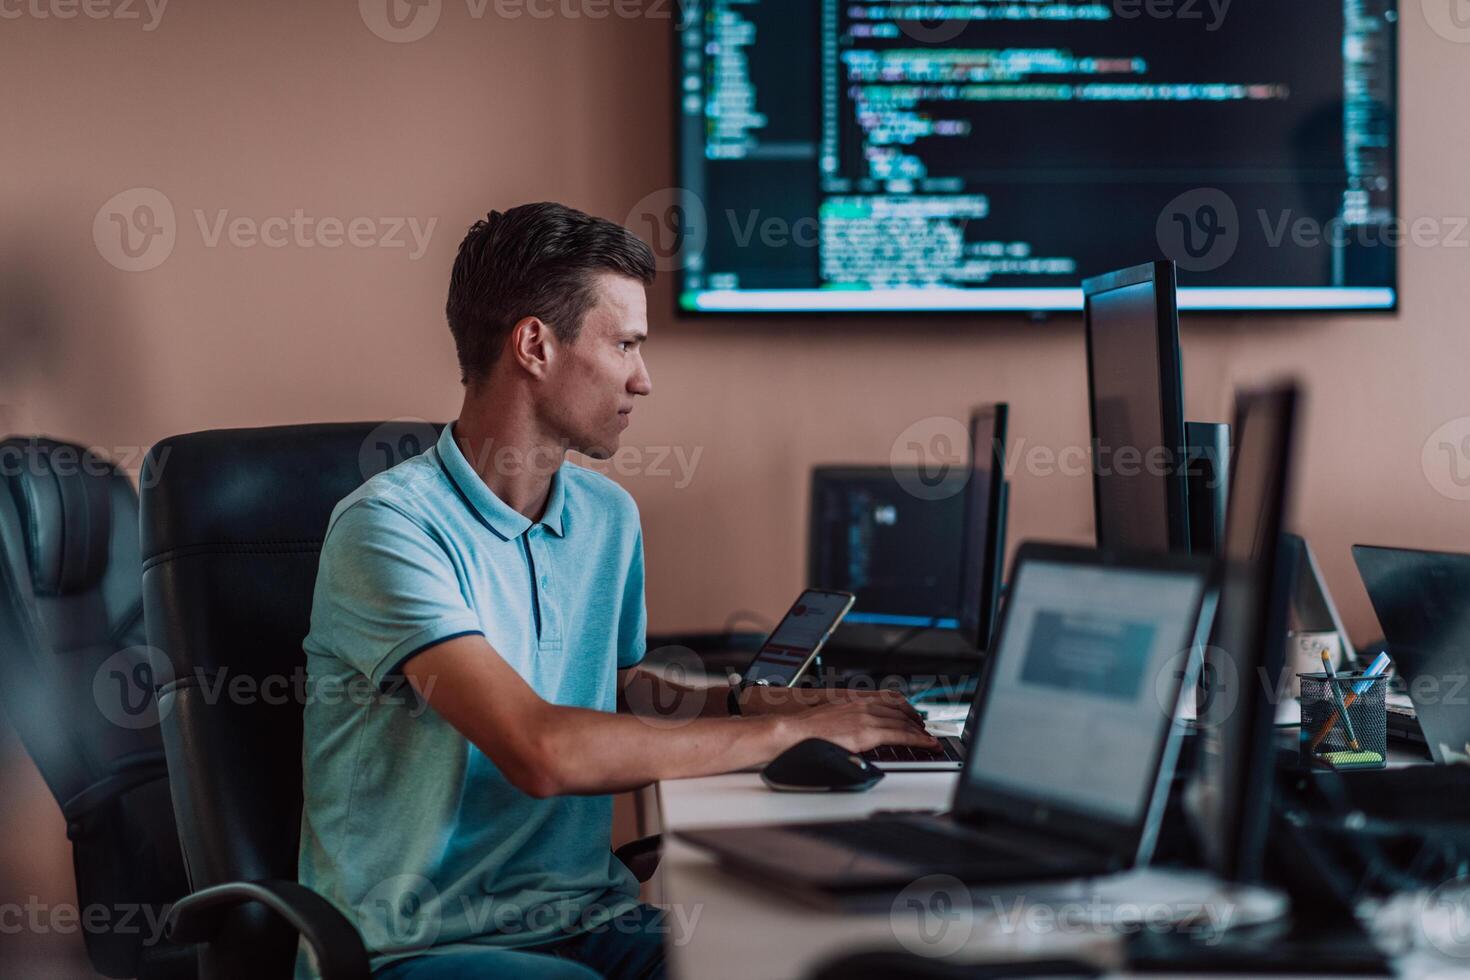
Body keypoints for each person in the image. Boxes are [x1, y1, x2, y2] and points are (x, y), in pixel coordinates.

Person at [296, 202, 938, 979]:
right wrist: (784, 738)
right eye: (625, 344)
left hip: (589, 920)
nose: (644, 379)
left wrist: (755, 704)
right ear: (535, 345)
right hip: (421, 948)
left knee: (801, 961)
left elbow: (620, 692)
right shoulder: (388, 528)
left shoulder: (607, 517)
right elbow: (539, 750)